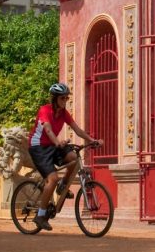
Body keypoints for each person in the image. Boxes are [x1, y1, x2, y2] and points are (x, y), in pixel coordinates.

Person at [27, 83, 100, 231]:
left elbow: (77, 130)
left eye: (67, 98)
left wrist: (93, 141)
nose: (65, 101)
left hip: (53, 145)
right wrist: (57, 142)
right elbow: (47, 129)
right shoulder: (45, 110)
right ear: (54, 99)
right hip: (38, 147)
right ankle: (40, 215)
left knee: (73, 157)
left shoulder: (64, 113)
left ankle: (63, 186)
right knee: (52, 178)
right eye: (62, 98)